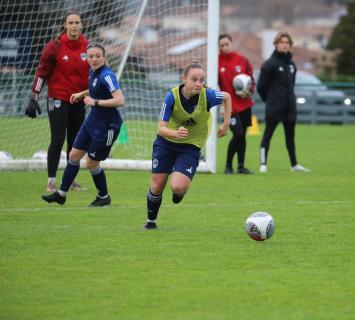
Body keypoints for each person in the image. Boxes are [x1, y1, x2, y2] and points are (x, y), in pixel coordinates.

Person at [144, 61, 232, 230]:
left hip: (190, 146)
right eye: (194, 79)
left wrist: (225, 124)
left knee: (177, 187)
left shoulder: (208, 96)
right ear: (184, 79)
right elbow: (161, 129)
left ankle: (179, 192)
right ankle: (151, 222)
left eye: (201, 80)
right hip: (166, 143)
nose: (198, 84)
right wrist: (175, 133)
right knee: (157, 186)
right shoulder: (172, 96)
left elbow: (227, 97)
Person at [41, 43, 125, 207]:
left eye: (97, 56)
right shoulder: (93, 72)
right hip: (92, 121)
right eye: (90, 56)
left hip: (107, 126)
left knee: (91, 163)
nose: (94, 59)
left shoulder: (107, 75)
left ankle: (104, 197)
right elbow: (95, 88)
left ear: (104, 57)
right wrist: (82, 93)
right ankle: (61, 195)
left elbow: (120, 100)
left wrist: (95, 101)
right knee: (73, 155)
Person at [26, 12, 90, 192]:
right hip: (58, 99)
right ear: (65, 25)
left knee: (75, 141)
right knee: (58, 139)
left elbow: (95, 73)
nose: (74, 26)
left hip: (79, 100)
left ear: (81, 25)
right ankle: (51, 181)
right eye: (71, 22)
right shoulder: (53, 47)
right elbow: (41, 73)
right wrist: (34, 96)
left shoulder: (88, 47)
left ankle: (71, 180)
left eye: (77, 22)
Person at [256, 32, 309, 173]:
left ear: (290, 45)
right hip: (274, 107)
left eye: (287, 42)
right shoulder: (269, 64)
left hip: (290, 108)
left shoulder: (292, 65)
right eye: (282, 42)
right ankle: (263, 164)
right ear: (276, 44)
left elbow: (292, 85)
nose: (285, 44)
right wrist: (271, 100)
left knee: (290, 138)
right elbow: (261, 87)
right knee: (268, 135)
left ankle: (294, 165)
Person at [218, 33, 255, 174]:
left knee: (243, 134)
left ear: (231, 44)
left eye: (227, 44)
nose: (225, 47)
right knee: (237, 134)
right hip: (230, 107)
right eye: (222, 45)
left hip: (245, 103)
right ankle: (228, 166)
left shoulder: (242, 60)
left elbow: (251, 78)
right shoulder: (217, 62)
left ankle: (240, 166)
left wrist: (249, 90)